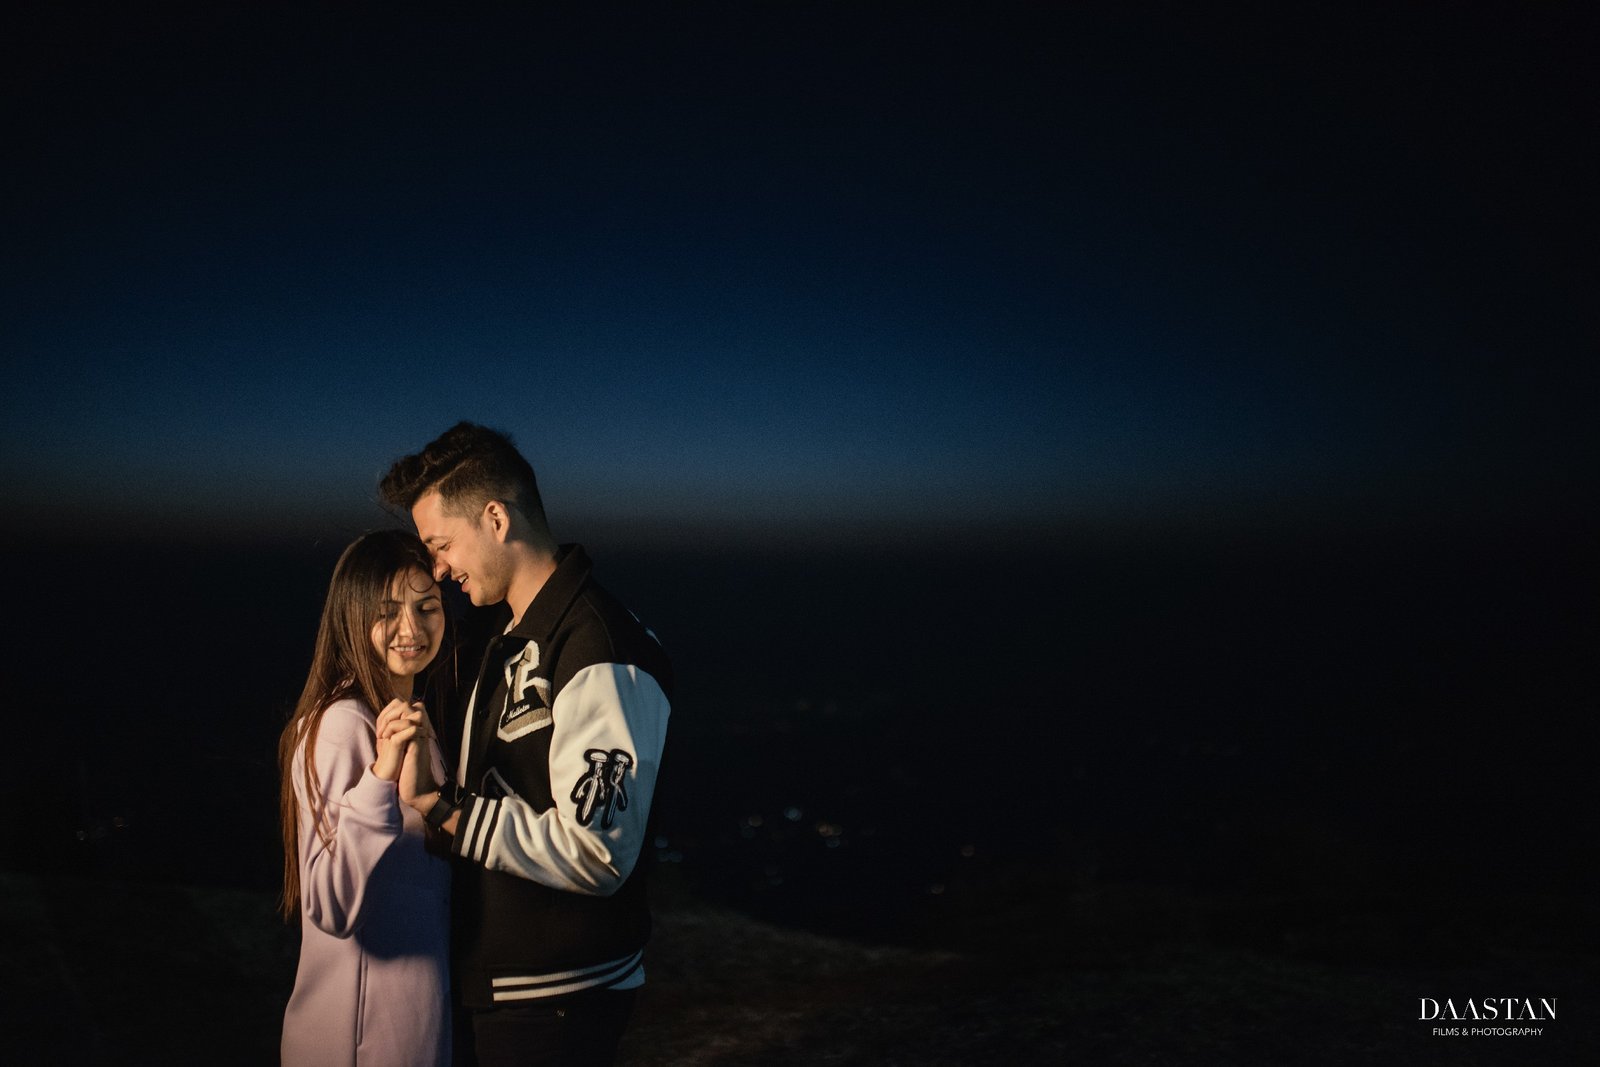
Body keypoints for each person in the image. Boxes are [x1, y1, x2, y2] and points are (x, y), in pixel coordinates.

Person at [379, 422, 673, 1067]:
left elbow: (598, 852)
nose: (438, 567)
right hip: (509, 984)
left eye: (442, 544)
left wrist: (445, 809)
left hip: (559, 995)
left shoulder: (598, 650)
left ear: (495, 518)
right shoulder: (510, 633)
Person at [278, 529, 454, 1066]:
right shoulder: (340, 723)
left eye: (428, 607)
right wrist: (379, 777)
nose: (412, 629)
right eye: (387, 613)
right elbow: (328, 904)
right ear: (352, 618)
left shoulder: (407, 722)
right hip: (357, 1044)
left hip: (413, 1030)